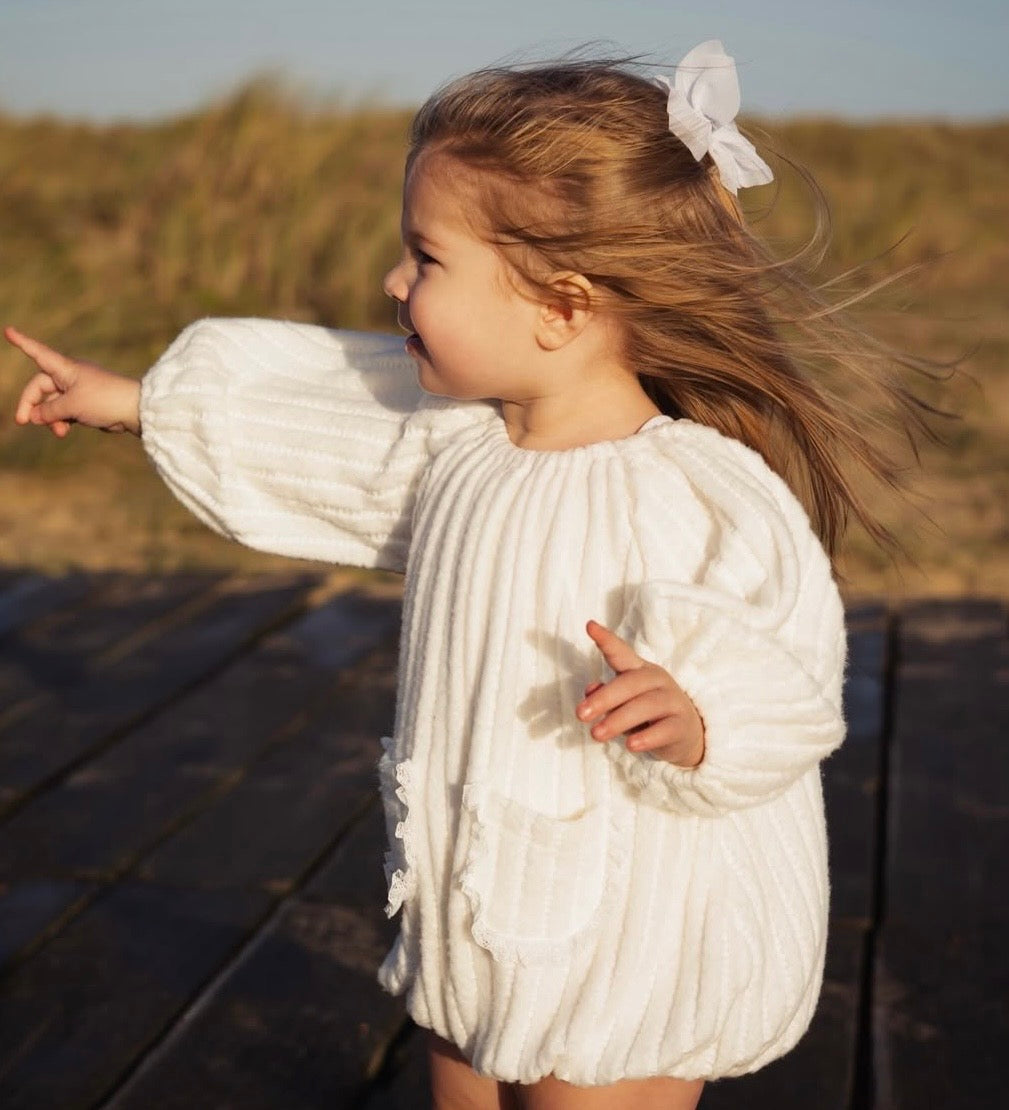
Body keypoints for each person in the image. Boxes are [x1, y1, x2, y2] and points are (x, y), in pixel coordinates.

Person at [5, 39, 949, 1110]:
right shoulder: (454, 444)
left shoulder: (699, 489)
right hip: (474, 913)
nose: (390, 281)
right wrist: (139, 402)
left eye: (425, 257)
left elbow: (787, 658)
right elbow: (320, 422)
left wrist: (700, 716)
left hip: (624, 939)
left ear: (560, 306)